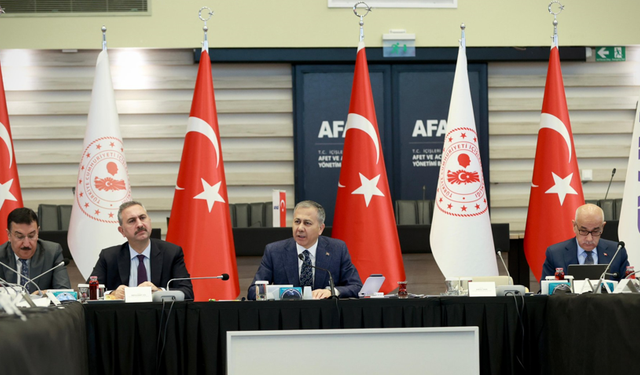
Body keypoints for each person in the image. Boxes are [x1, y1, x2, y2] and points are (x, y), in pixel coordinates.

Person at [247, 200, 362, 300]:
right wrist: (280, 293)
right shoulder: (274, 251)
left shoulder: (337, 249)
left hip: (325, 318)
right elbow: (253, 291)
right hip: (288, 318)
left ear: (320, 229)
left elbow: (357, 287)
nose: (300, 228)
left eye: (307, 223)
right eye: (297, 222)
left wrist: (332, 292)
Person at [88, 201, 193, 300]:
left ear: (149, 221)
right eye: (132, 221)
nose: (140, 224)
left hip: (160, 316)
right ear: (122, 231)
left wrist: (159, 292)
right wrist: (111, 294)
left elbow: (188, 293)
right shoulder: (109, 257)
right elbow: (87, 292)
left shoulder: (171, 253)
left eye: (142, 218)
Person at [541, 203, 629, 281]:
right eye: (583, 231)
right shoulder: (555, 254)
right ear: (574, 226)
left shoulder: (617, 252)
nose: (589, 239)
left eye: (595, 231)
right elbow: (545, 293)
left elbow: (627, 291)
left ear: (602, 227)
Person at [0, 207, 71, 293]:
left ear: (37, 232)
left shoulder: (52, 253)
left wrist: (43, 294)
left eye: (31, 236)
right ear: (9, 235)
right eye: (20, 236)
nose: (26, 244)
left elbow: (65, 293)